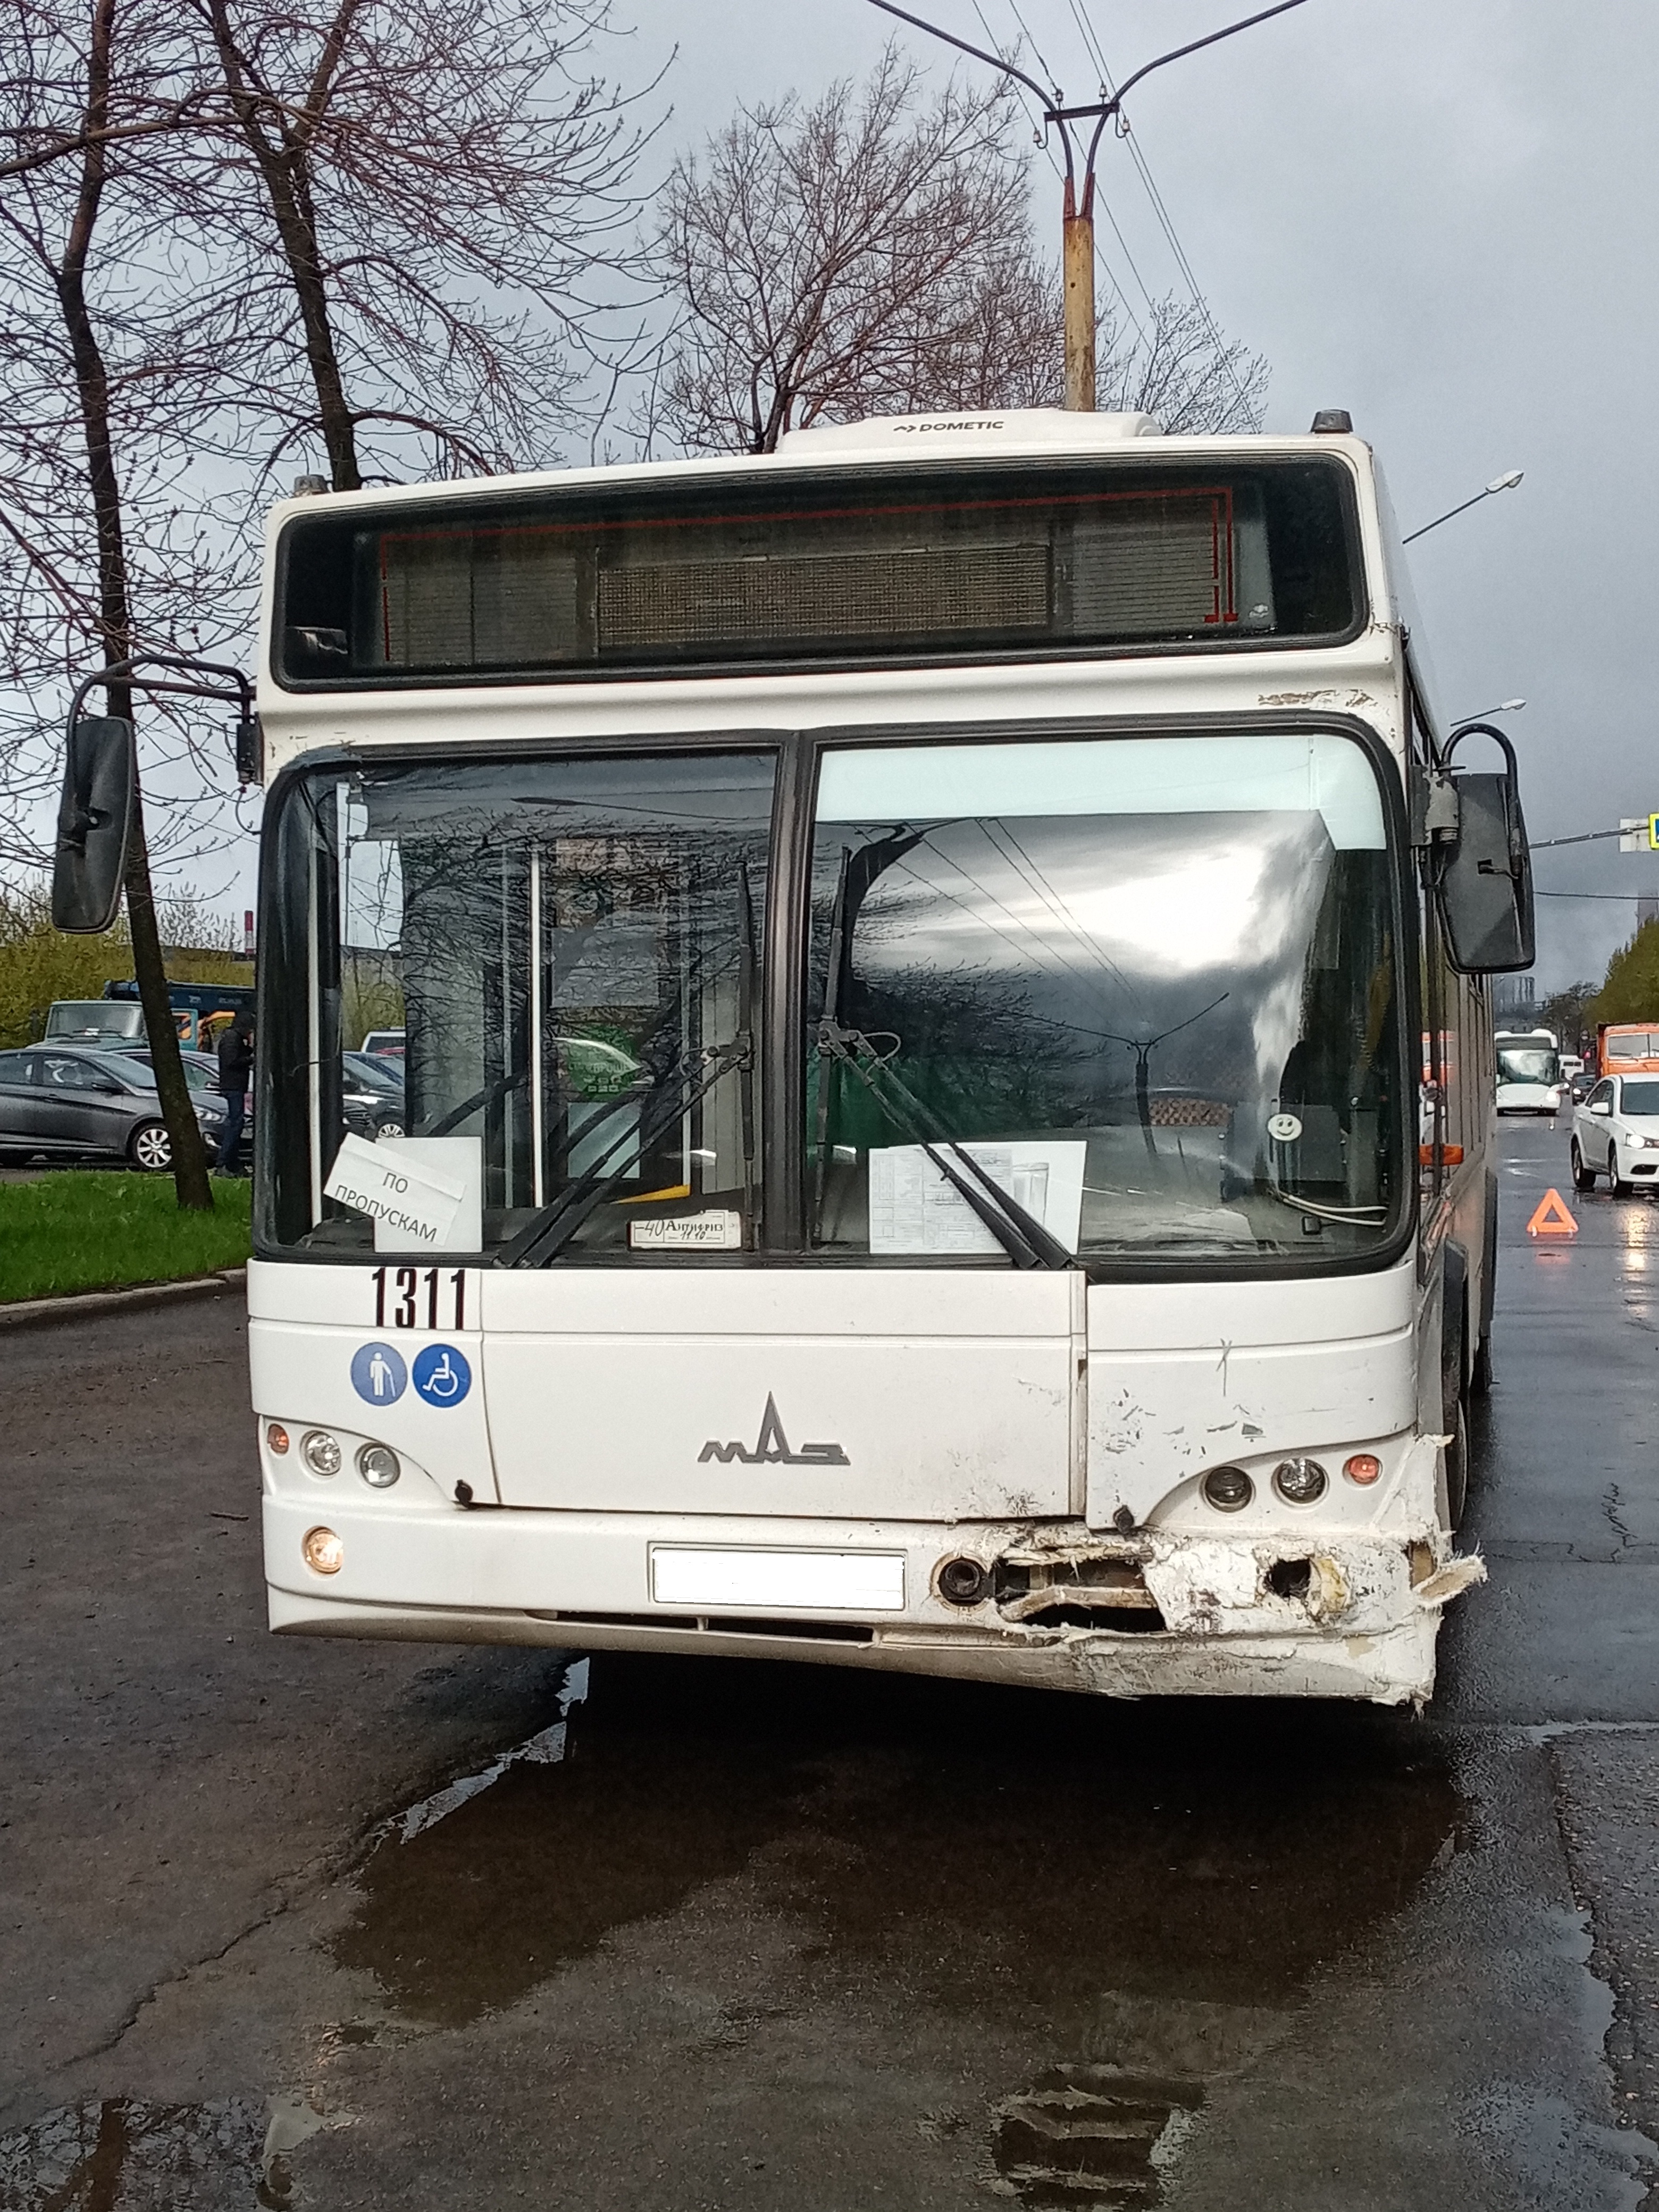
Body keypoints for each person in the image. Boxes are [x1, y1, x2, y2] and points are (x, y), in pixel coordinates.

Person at [215, 1010, 254, 1173]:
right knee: (236, 1122)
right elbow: (231, 1061)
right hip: (233, 1086)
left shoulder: (234, 1038)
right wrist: (252, 1058)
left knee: (237, 1122)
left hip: (235, 1085)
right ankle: (223, 1162)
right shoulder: (232, 1038)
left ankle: (232, 1161)